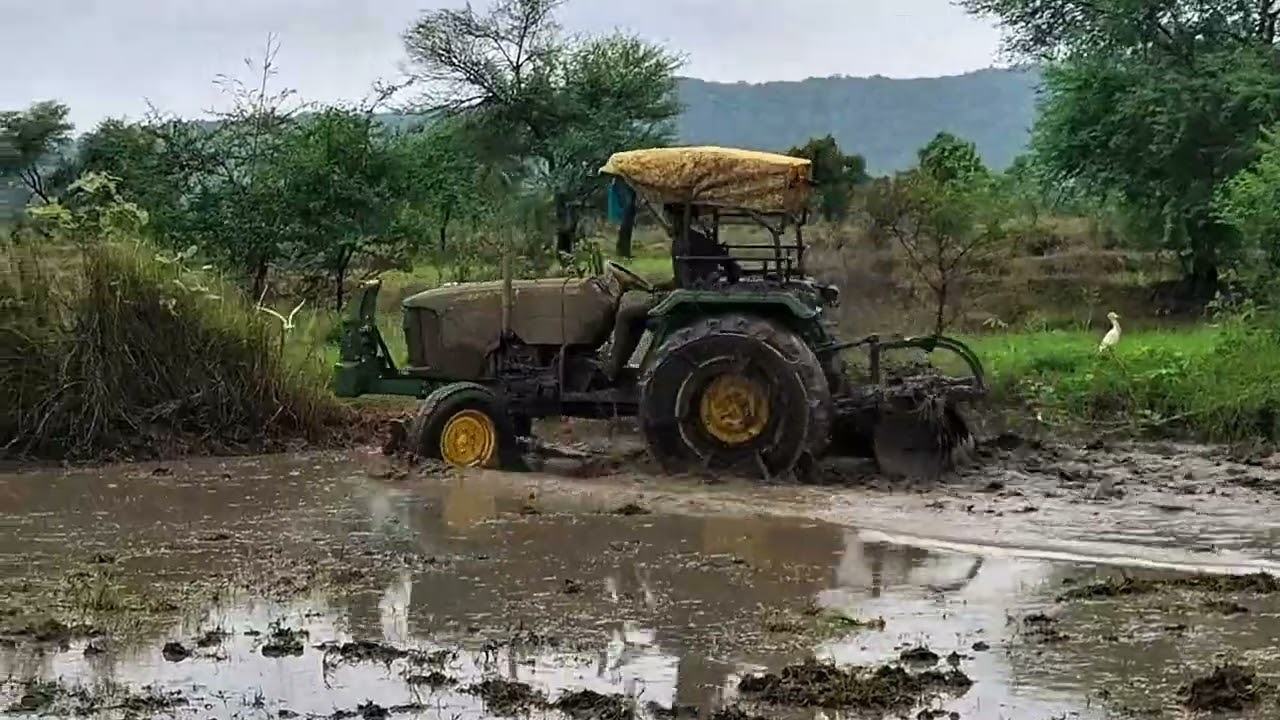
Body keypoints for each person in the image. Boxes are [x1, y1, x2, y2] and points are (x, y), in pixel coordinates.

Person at [602, 203, 740, 383]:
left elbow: (683, 283)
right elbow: (732, 269)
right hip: (700, 293)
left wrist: (664, 289)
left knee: (626, 314)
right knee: (637, 316)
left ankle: (612, 369)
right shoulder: (699, 239)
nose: (668, 224)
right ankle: (620, 367)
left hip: (688, 300)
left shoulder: (682, 243)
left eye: (670, 219)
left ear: (678, 219)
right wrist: (658, 285)